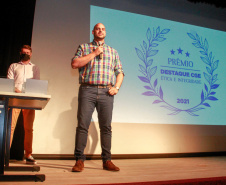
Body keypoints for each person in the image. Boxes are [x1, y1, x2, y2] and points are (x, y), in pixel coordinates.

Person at [71, 23, 124, 172]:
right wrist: (94, 53)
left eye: (103, 29)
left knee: (106, 127)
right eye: (98, 29)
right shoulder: (84, 47)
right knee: (82, 125)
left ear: (105, 32)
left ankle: (107, 160)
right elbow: (74, 63)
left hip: (106, 92)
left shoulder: (113, 52)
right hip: (87, 90)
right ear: (93, 31)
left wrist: (116, 87)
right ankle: (79, 160)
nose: (100, 31)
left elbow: (120, 72)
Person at [7, 45, 40, 165]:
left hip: (29, 100)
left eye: (27, 52)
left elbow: (36, 83)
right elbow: (9, 81)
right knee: (10, 127)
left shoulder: (35, 68)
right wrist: (18, 91)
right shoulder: (14, 66)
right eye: (23, 52)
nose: (25, 54)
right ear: (20, 53)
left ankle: (29, 155)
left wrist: (28, 93)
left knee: (29, 129)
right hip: (15, 98)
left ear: (31, 54)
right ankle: (5, 153)